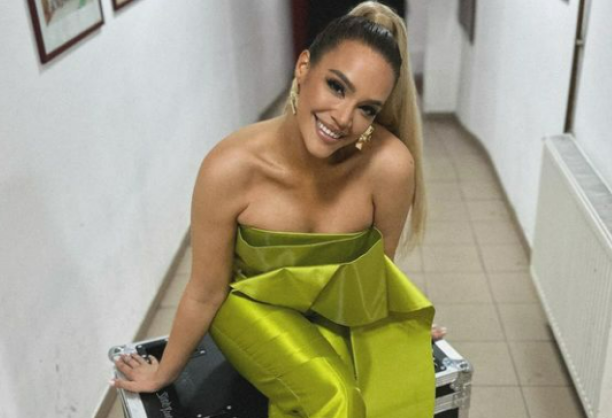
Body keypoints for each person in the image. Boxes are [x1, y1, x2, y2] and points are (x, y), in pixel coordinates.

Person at [111, 2, 447, 417]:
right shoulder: (230, 167)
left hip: (331, 308)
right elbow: (205, 290)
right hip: (248, 303)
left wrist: (397, 329)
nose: (343, 118)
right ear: (304, 67)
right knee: (337, 398)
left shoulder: (391, 168)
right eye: (336, 87)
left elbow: (378, 272)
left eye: (367, 109)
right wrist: (165, 373)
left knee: (387, 395)